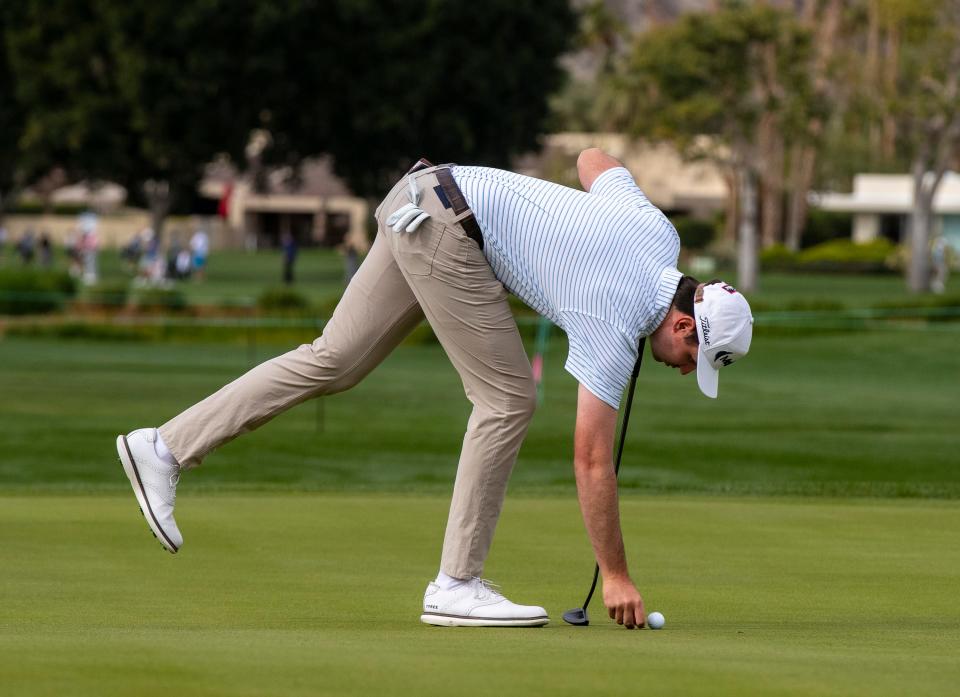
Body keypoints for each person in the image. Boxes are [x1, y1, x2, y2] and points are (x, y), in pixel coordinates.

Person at [116, 150, 753, 630]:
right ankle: (457, 583)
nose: (679, 368)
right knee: (508, 399)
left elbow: (594, 160)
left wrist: (565, 232)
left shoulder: (659, 233)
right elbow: (590, 460)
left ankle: (163, 446)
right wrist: (615, 577)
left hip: (424, 192)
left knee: (335, 359)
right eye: (692, 356)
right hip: (453, 227)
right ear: (681, 322)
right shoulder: (618, 322)